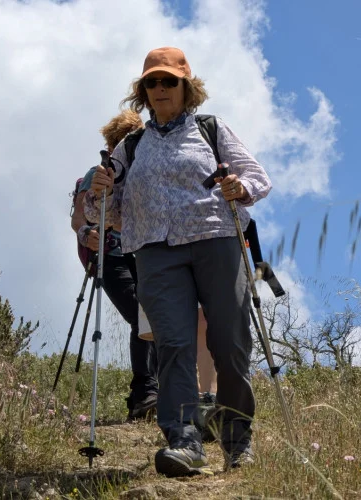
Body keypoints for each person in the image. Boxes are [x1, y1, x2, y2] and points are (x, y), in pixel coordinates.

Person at [86, 47, 271, 476]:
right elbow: (105, 212)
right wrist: (100, 190)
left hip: (216, 239)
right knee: (173, 345)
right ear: (143, 92)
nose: (160, 88)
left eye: (169, 80)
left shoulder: (211, 129)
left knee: (230, 342)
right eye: (151, 82)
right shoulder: (131, 146)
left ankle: (237, 440)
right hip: (154, 250)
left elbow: (257, 177)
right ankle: (185, 441)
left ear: (187, 87)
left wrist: (239, 187)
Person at [71, 110, 158, 421]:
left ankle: (152, 392)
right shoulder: (96, 174)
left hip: (141, 251)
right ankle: (145, 392)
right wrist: (86, 233)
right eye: (120, 141)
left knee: (153, 315)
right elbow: (78, 218)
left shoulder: (144, 172)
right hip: (108, 253)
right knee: (140, 315)